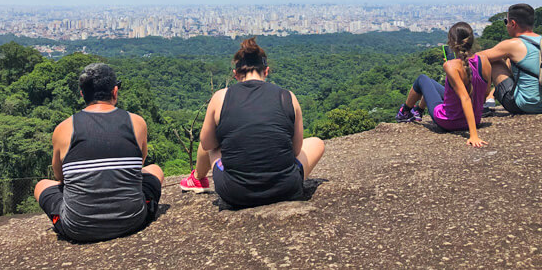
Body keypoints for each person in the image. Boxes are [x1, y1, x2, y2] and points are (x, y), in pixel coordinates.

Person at [179, 37, 325, 208]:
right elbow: (295, 150)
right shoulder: (288, 97)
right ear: (267, 71)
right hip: (286, 189)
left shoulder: (221, 97)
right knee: (317, 143)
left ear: (235, 74)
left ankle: (197, 179)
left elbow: (207, 144)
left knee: (210, 142)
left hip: (235, 193)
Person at [34, 63, 164, 242]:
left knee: (41, 185)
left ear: (82, 94)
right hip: (133, 220)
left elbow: (60, 177)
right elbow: (138, 166)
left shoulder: (63, 128)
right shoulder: (137, 122)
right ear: (115, 91)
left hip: (77, 228)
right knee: (155, 169)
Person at [396, 22, 491, 147]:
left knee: (422, 79)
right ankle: (418, 110)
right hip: (476, 119)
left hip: (448, 121)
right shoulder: (484, 60)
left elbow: (465, 98)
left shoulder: (450, 66)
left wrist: (473, 135)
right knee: (431, 83)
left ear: (451, 43)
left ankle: (405, 112)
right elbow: (485, 93)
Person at [480, 3, 542, 114]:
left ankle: (480, 105)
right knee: (511, 61)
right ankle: (490, 97)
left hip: (523, 105)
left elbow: (477, 58)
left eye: (506, 22)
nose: (506, 25)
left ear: (513, 23)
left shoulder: (514, 44)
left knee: (494, 61)